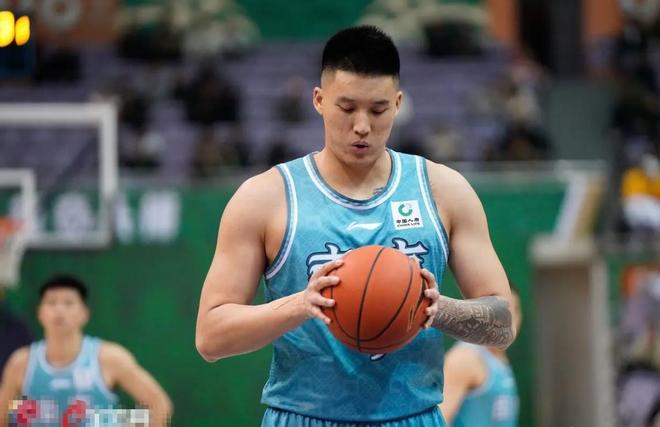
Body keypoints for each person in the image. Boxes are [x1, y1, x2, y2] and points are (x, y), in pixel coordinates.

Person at [195, 25, 515, 427]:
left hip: (412, 416)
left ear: (398, 104)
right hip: (303, 416)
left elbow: (503, 324)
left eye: (378, 110)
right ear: (319, 100)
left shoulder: (444, 191)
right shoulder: (264, 198)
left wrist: (438, 309)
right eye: (347, 108)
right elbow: (210, 337)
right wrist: (301, 304)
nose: (362, 126)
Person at [0, 275, 172, 426]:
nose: (59, 310)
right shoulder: (21, 363)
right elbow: (2, 416)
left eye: (68, 303)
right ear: (40, 313)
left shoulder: (109, 358)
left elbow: (158, 404)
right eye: (51, 303)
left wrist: (119, 422)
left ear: (84, 313)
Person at [439, 283, 522, 427]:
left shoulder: (499, 358)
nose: (511, 319)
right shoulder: (464, 359)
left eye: (516, 309)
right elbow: (438, 421)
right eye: (505, 311)